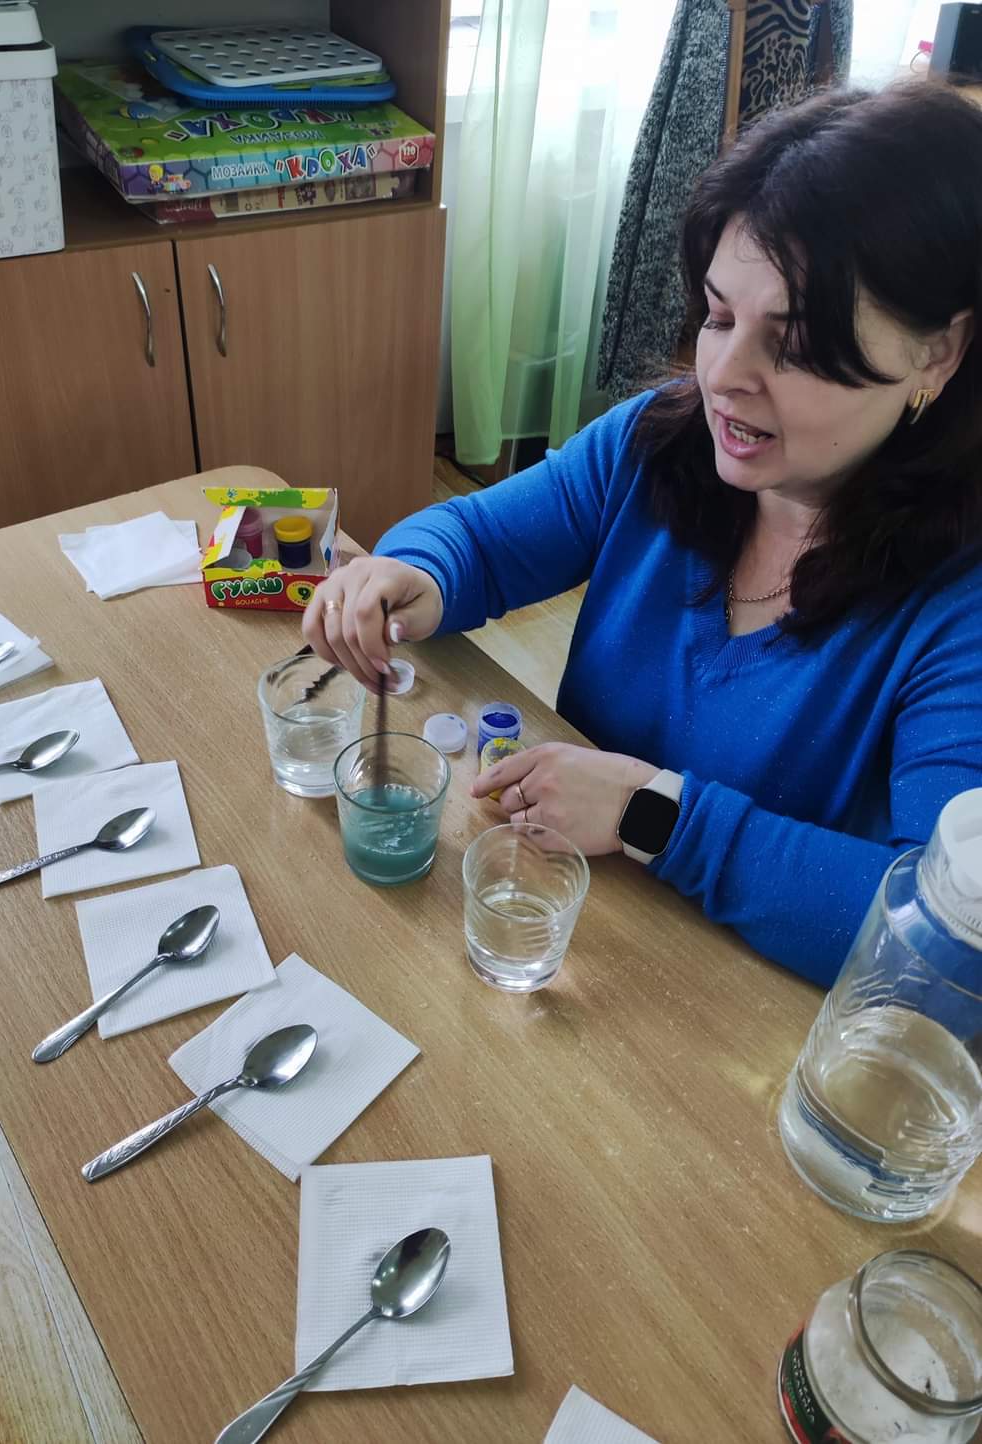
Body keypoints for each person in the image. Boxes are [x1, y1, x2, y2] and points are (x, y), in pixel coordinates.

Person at [302, 84, 982, 988]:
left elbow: (944, 934)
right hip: (571, 929)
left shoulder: (960, 606)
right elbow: (482, 538)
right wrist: (411, 572)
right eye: (719, 316)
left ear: (938, 351)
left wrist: (649, 813)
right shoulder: (660, 443)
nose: (723, 375)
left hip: (733, 1011)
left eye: (794, 344)